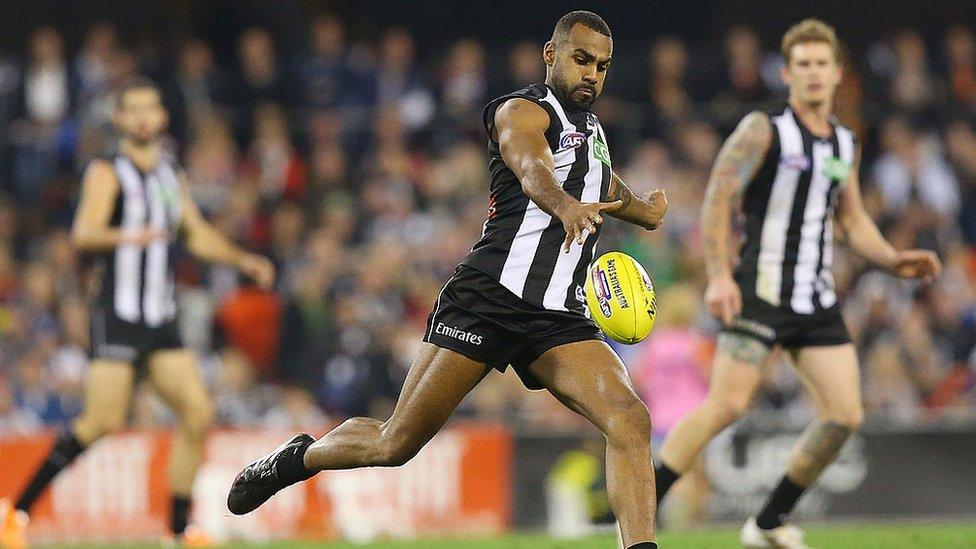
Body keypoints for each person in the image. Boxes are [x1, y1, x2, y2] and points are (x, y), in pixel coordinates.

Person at [227, 11, 667, 549]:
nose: (592, 75)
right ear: (551, 55)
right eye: (581, 60)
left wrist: (640, 209)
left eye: (602, 66)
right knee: (395, 442)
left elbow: (598, 175)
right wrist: (563, 205)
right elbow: (533, 171)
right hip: (488, 299)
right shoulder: (520, 112)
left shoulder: (591, 129)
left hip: (558, 317)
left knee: (629, 418)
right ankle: (297, 458)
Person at [650, 19, 941, 548]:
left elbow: (852, 222)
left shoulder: (845, 143)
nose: (811, 73)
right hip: (759, 291)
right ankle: (640, 503)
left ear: (836, 74)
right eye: (801, 64)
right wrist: (717, 275)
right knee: (727, 406)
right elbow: (718, 199)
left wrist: (894, 260)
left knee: (845, 416)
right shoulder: (763, 131)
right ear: (786, 73)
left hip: (816, 300)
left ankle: (767, 522)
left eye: (820, 64)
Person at [0, 78, 275, 548]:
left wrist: (240, 259)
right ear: (121, 120)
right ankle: (17, 511)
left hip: (159, 319)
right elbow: (84, 233)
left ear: (162, 117)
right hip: (119, 314)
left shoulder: (169, 173)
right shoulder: (107, 171)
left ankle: (177, 530)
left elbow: (195, 233)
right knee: (100, 422)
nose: (144, 117)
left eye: (152, 108)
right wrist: (130, 237)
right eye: (134, 110)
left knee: (197, 412)